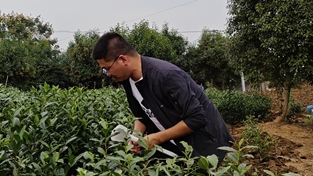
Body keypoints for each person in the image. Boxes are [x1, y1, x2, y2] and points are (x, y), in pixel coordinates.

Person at [92, 32, 233, 161]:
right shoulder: (127, 80)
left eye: (107, 68)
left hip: (207, 146)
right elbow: (141, 116)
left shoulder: (166, 76)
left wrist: (157, 138)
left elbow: (197, 118)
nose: (108, 74)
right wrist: (136, 137)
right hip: (176, 149)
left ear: (123, 59)